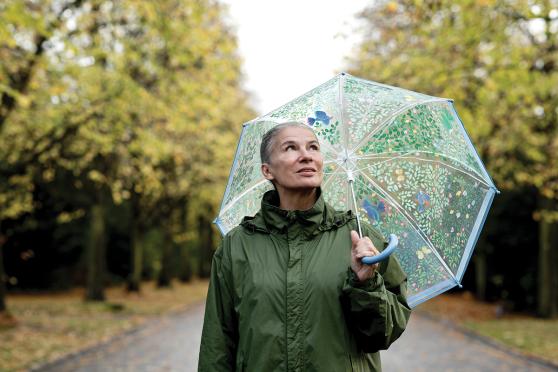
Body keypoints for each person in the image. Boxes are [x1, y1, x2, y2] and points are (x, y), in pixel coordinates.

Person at [198, 122, 411, 371]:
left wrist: (366, 285)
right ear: (267, 171)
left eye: (313, 147)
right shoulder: (236, 247)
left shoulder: (359, 238)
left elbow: (383, 334)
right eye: (290, 148)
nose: (306, 155)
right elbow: (218, 345)